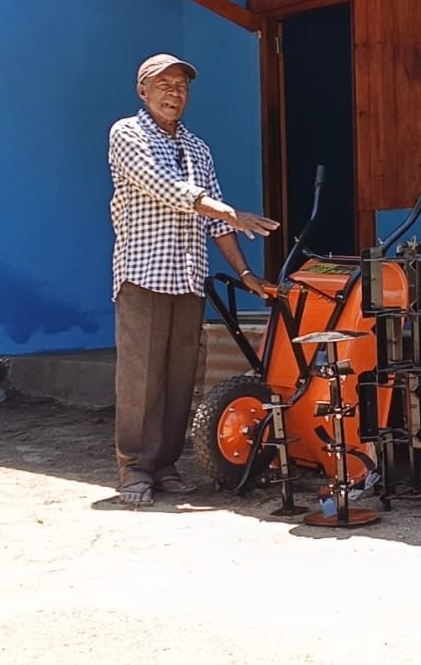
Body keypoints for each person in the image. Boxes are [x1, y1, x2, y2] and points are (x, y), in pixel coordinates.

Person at [107, 53, 279, 506]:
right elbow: (166, 187)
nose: (174, 93)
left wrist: (246, 274)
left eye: (181, 85)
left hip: (187, 278)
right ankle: (135, 469)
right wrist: (227, 212)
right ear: (142, 91)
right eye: (163, 84)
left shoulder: (197, 148)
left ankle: (165, 464)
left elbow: (217, 221)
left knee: (181, 377)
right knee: (141, 377)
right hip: (143, 274)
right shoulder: (127, 133)